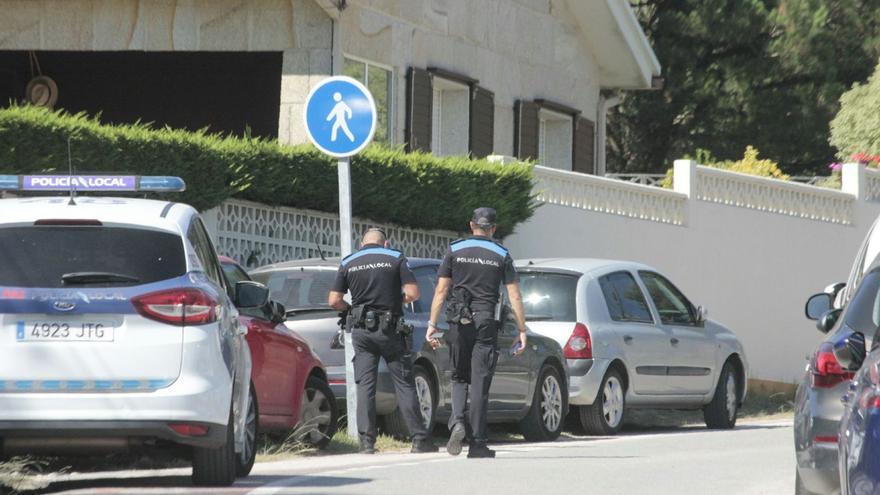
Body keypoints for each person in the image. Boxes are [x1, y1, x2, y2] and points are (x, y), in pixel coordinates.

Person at [426, 207, 528, 458]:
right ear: (493, 229)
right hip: (486, 321)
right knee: (480, 383)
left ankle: (457, 421)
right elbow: (514, 294)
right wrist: (521, 329)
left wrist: (432, 324)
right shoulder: (502, 254)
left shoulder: (455, 249)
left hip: (458, 321)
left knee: (459, 376)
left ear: (471, 225)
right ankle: (478, 443)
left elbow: (440, 291)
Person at [328, 228, 437, 454]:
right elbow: (413, 293)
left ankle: (366, 443)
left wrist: (352, 309)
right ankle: (419, 439)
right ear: (385, 243)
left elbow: (334, 300)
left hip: (361, 331)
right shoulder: (395, 257)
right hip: (390, 329)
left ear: (362, 244)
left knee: (365, 386)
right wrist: (395, 300)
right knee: (404, 383)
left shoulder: (349, 261)